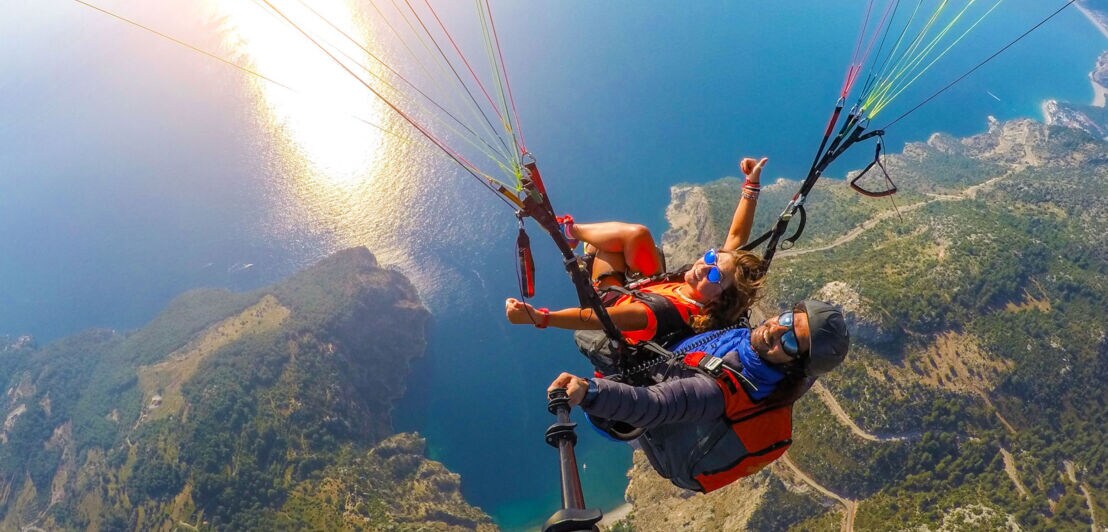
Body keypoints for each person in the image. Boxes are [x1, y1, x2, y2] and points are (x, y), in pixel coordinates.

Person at [547, 300, 851, 493]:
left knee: (587, 339)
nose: (776, 330)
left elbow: (655, 405)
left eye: (791, 342)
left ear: (796, 365)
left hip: (648, 418)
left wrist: (590, 391)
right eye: (787, 320)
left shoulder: (720, 391)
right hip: (676, 368)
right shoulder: (756, 352)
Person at [505, 157, 770, 346]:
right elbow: (736, 237)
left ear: (717, 299)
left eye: (714, 276)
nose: (703, 266)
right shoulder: (704, 287)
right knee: (638, 235)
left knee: (606, 247)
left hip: (615, 299)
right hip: (650, 286)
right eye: (711, 257)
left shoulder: (657, 314)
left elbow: (594, 318)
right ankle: (571, 232)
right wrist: (751, 184)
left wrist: (538, 317)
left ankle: (577, 236)